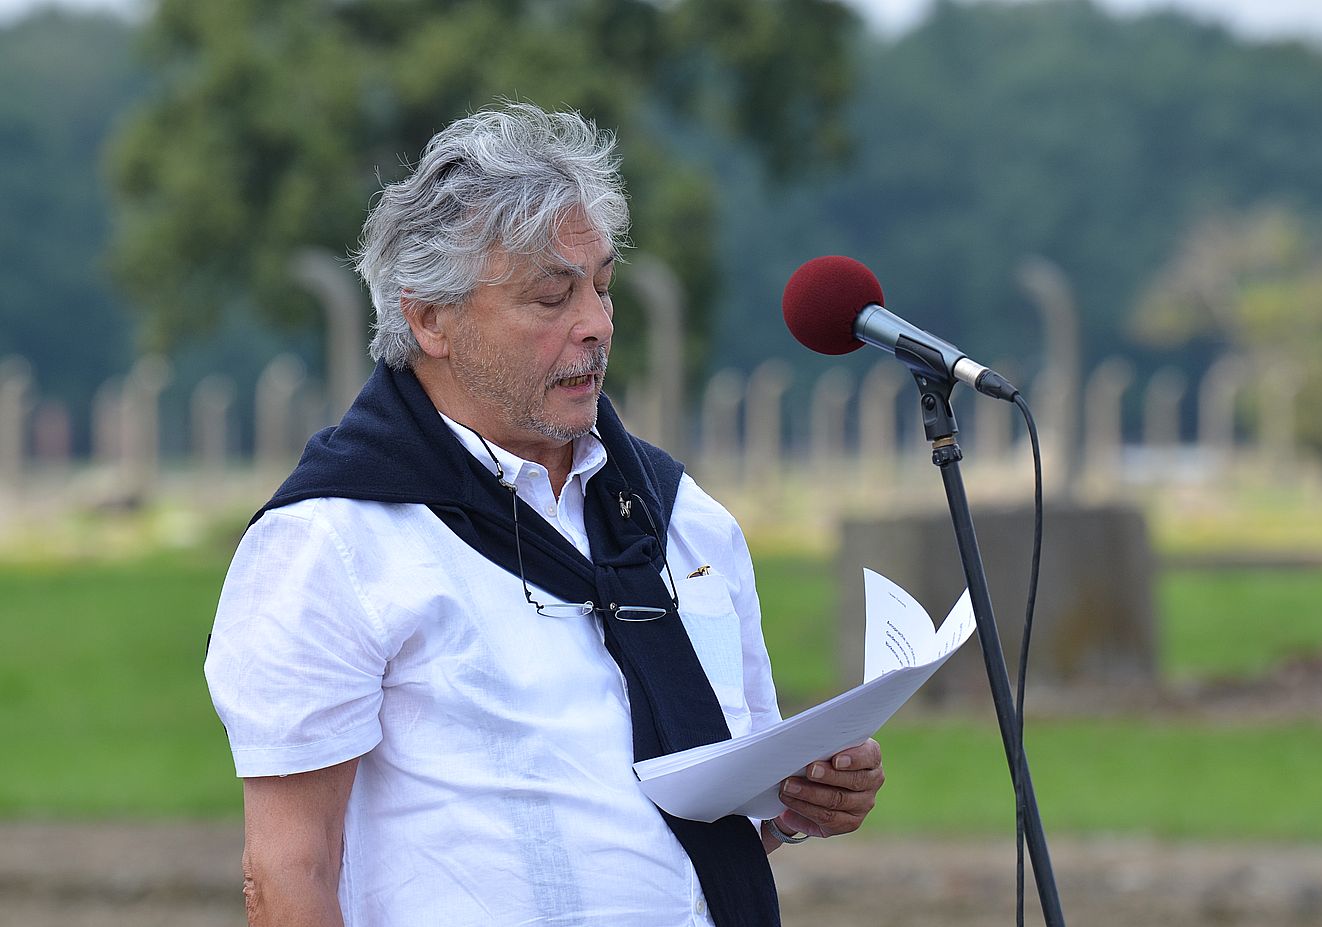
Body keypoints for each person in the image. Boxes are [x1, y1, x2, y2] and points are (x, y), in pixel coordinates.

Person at [205, 102, 884, 927]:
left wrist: (799, 801)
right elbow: (287, 873)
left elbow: (699, 835)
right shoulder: (333, 543)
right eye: (551, 297)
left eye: (602, 286)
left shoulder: (685, 521)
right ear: (429, 319)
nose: (596, 325)